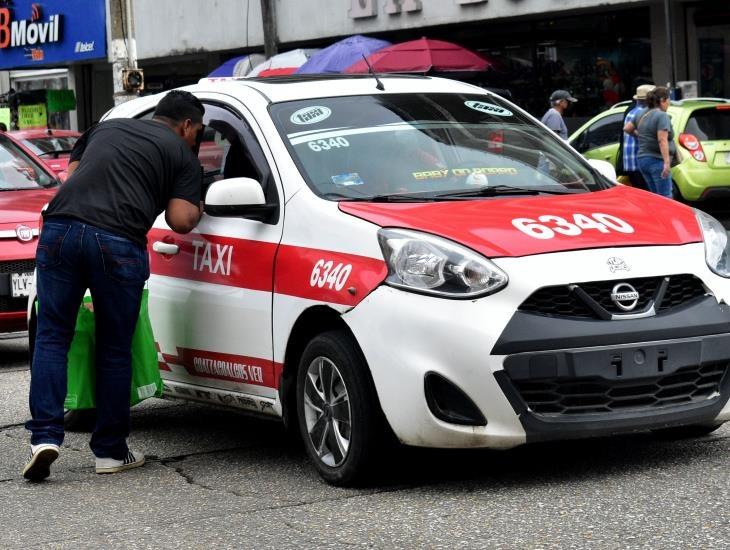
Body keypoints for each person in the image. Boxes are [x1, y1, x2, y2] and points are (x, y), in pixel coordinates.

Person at [23, 90, 205, 481]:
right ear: (187, 125)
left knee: (53, 336)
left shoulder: (105, 127)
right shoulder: (181, 153)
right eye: (198, 132)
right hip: (117, 241)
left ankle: (44, 437)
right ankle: (108, 451)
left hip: (61, 229)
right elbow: (182, 219)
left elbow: (72, 177)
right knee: (114, 347)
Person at [635, 86, 675, 198]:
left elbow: (627, 128)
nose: (669, 103)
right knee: (665, 196)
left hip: (643, 159)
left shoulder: (642, 113)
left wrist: (641, 135)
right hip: (656, 160)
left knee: (655, 197)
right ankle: (666, 216)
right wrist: (666, 163)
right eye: (668, 100)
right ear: (662, 100)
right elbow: (662, 140)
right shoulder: (662, 116)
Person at [620, 84, 655, 191]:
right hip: (641, 165)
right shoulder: (644, 114)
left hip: (631, 164)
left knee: (640, 196)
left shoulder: (631, 112)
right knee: (649, 197)